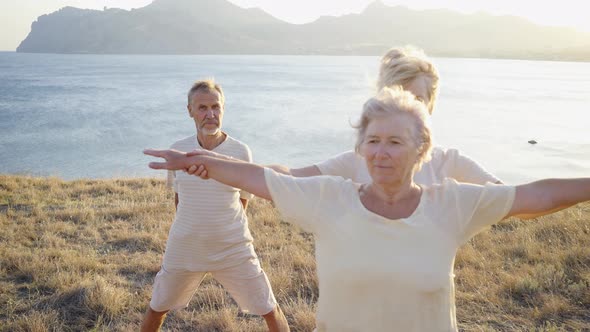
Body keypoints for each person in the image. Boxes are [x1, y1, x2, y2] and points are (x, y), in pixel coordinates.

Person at [144, 87, 590, 331]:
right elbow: (257, 177)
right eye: (372, 141)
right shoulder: (330, 200)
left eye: (395, 141)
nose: (381, 153)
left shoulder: (452, 203)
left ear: (422, 151)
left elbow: (540, 196)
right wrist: (200, 161)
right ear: (361, 147)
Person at [187, 46, 501, 187]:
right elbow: (288, 175)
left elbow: (515, 198)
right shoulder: (359, 161)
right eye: (393, 96)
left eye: (415, 100)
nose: (402, 110)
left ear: (430, 106)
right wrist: (215, 163)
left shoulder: (450, 164)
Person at [140, 79, 289, 332]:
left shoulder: (241, 151)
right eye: (202, 108)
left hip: (232, 247)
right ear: (190, 111)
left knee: (269, 308)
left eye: (216, 107)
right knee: (157, 308)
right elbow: (180, 198)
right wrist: (195, 229)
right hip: (185, 245)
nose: (210, 114)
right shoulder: (178, 150)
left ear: (223, 109)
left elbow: (244, 200)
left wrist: (222, 229)